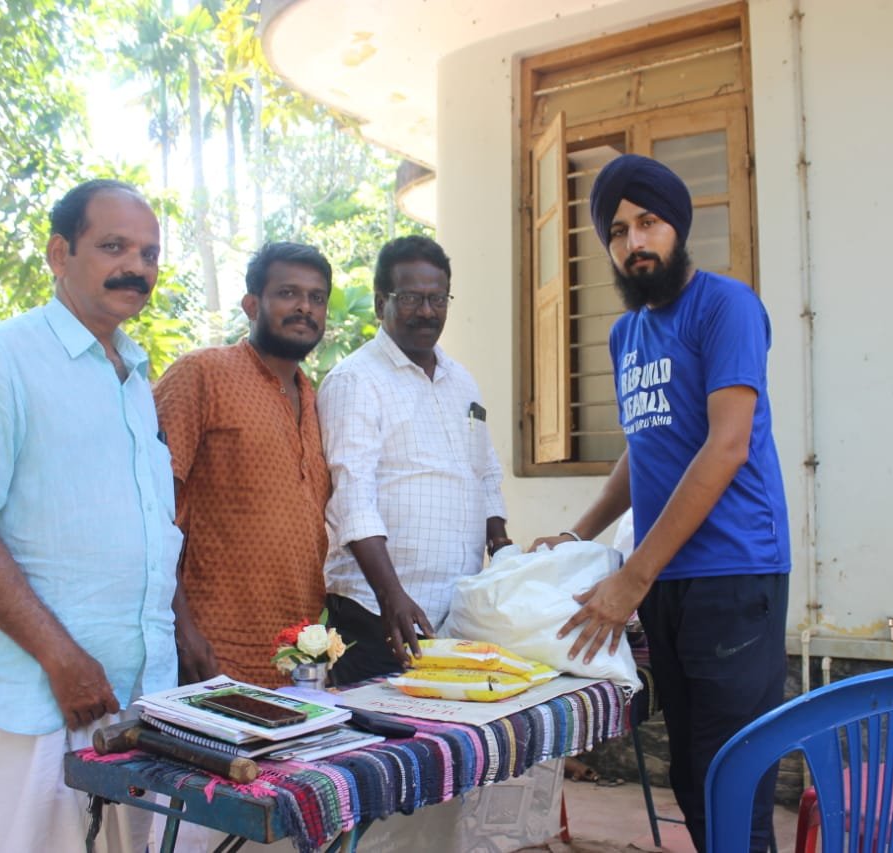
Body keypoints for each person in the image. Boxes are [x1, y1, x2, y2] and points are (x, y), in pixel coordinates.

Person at [534, 154, 790, 853]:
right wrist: (579, 532)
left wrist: (631, 576)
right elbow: (643, 447)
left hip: (734, 574)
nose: (633, 243)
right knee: (692, 772)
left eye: (647, 223)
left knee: (733, 779)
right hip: (667, 579)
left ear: (677, 226)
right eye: (616, 232)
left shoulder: (726, 305)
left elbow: (727, 445)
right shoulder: (626, 335)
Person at [0, 179, 182, 852]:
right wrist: (60, 657)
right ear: (59, 253)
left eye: (150, 253)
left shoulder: (134, 376)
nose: (137, 266)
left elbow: (149, 529)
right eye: (114, 246)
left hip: (139, 701)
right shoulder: (0, 357)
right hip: (40, 698)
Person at [319, 235, 511, 684]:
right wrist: (392, 597)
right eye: (410, 298)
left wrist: (503, 550)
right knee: (378, 747)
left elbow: (484, 470)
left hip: (452, 612)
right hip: (377, 615)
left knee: (446, 747)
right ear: (380, 302)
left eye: (437, 298)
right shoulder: (355, 381)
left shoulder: (462, 381)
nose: (427, 311)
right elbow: (352, 497)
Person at [154, 242, 333, 687]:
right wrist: (183, 630)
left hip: (297, 659)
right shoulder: (202, 374)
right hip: (212, 651)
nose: (304, 308)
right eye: (288, 293)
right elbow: (149, 512)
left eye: (317, 297)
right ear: (252, 304)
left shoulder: (314, 400)